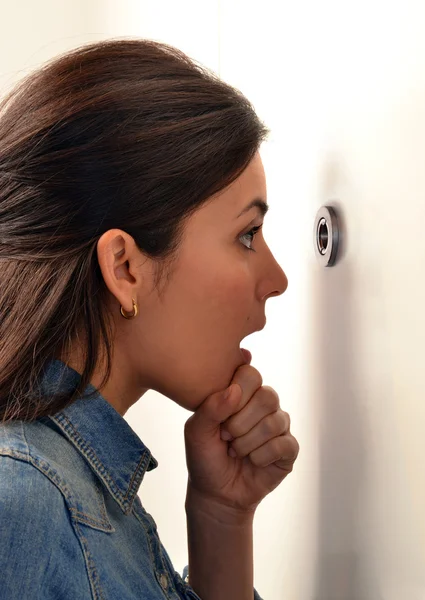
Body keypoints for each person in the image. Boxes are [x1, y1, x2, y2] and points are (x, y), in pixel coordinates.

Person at [0, 38, 299, 599]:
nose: (277, 279)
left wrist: (222, 518)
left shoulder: (80, 494)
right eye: (247, 235)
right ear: (125, 267)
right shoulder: (24, 502)